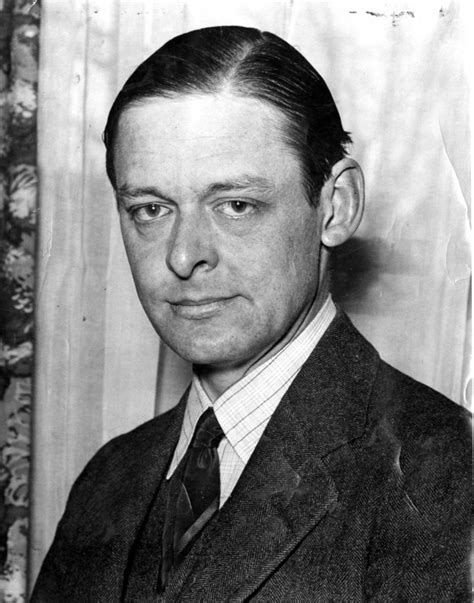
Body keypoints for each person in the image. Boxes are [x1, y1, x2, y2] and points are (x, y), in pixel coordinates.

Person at [32, 26, 470, 602]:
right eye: (151, 209)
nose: (183, 256)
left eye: (236, 205)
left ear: (336, 207)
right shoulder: (108, 478)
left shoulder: (447, 476)